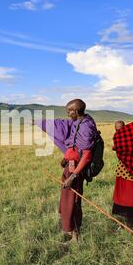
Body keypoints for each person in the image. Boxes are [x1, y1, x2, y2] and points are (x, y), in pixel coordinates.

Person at [34, 99, 98, 242]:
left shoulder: (86, 127)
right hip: (70, 166)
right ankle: (71, 232)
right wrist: (67, 157)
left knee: (73, 201)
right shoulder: (78, 122)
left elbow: (86, 156)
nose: (67, 114)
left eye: (69, 111)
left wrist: (73, 177)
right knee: (67, 200)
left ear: (76, 111)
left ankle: (75, 236)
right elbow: (73, 146)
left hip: (76, 171)